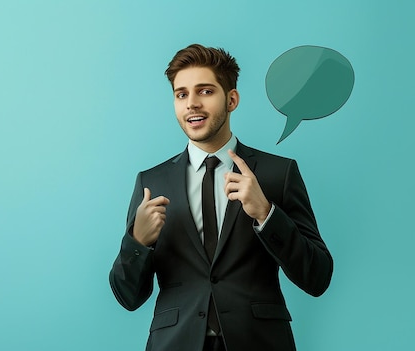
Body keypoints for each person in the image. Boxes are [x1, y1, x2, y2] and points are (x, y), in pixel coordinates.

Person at [109, 44, 333, 351]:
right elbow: (128, 297)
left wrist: (267, 215)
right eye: (182, 94)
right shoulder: (152, 182)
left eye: (205, 91)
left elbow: (317, 277)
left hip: (260, 342)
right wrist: (137, 240)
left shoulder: (277, 173)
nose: (192, 104)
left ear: (231, 99)